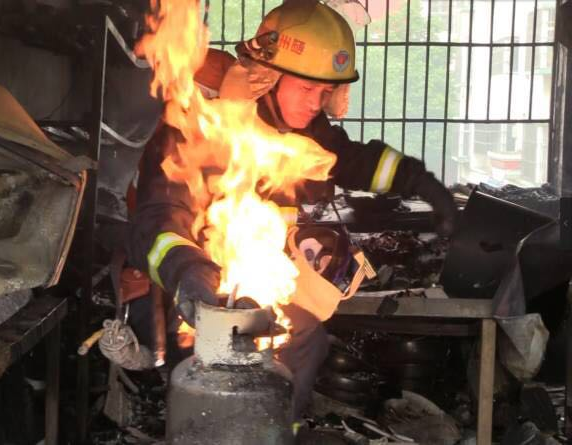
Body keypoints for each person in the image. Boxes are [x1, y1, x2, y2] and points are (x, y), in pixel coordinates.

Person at [126, 0, 457, 416]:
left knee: (304, 342)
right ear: (268, 77)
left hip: (256, 289)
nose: (316, 103)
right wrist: (188, 272)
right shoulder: (199, 127)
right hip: (186, 297)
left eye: (325, 92)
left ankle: (277, 432)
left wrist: (418, 180)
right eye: (306, 89)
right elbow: (155, 225)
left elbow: (348, 159)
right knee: (217, 382)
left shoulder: (298, 130)